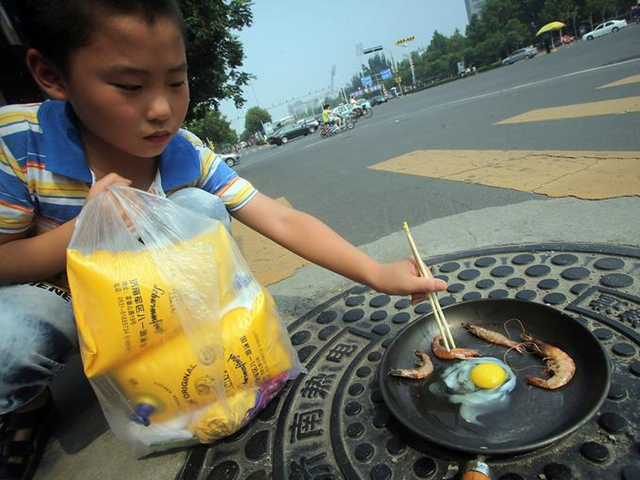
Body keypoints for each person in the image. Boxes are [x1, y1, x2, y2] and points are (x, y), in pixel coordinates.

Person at [0, 1, 446, 477]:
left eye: (176, 81)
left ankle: (189, 361)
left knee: (200, 207)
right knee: (10, 343)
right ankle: (28, 407)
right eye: (130, 86)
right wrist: (84, 229)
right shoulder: (22, 142)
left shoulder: (185, 152)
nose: (161, 109)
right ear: (52, 75)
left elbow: (279, 218)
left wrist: (376, 273)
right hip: (62, 293)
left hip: (152, 309)